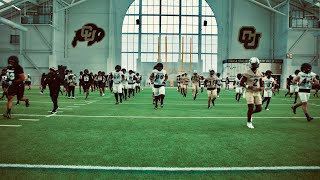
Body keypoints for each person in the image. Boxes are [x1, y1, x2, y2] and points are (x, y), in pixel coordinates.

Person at [240, 57, 264, 129]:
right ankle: (249, 122)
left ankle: (250, 114)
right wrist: (248, 86)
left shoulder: (260, 73)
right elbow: (241, 83)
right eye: (253, 64)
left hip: (257, 92)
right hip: (249, 92)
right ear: (250, 64)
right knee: (250, 107)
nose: (255, 65)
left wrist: (262, 88)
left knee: (259, 109)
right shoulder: (247, 72)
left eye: (256, 64)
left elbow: (261, 83)